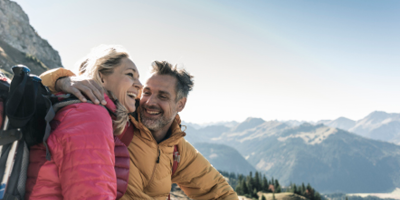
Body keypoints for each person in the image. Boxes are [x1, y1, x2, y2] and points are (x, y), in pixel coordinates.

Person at [40, 59, 239, 199]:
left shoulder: (177, 149)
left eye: (162, 96)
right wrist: (63, 80)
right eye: (147, 92)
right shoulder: (116, 116)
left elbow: (217, 192)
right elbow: (43, 85)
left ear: (181, 104)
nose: (149, 102)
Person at [25, 45, 142, 199]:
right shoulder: (91, 115)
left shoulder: (82, 109)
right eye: (130, 74)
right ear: (101, 78)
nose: (139, 84)